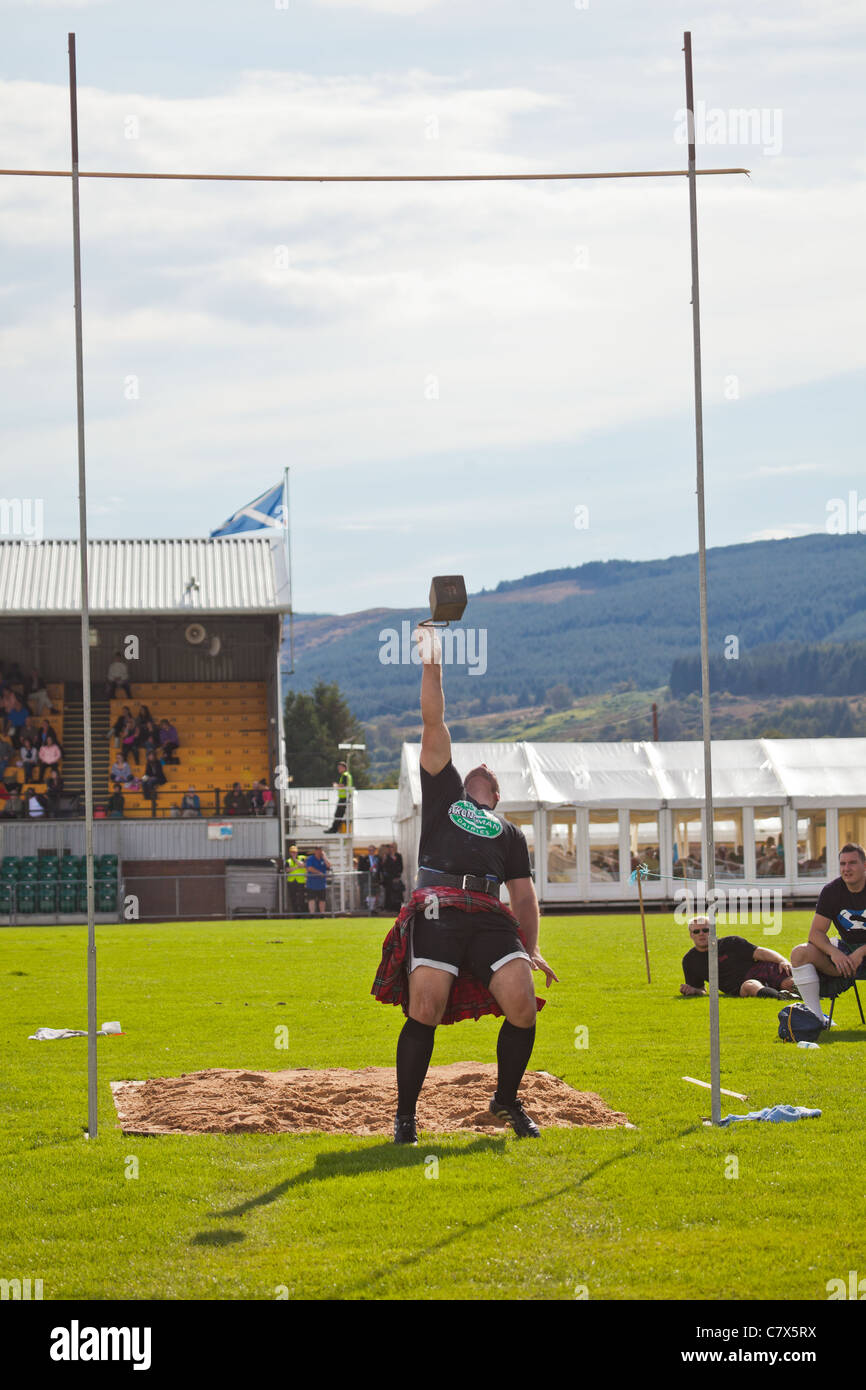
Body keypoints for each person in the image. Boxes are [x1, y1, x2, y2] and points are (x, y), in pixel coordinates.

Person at [372, 627, 558, 1146]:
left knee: (522, 1004)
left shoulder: (510, 833)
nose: (481, 767)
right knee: (424, 1008)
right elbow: (435, 720)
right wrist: (432, 660)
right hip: (437, 906)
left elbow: (522, 896)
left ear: (495, 795)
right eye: (476, 768)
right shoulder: (443, 793)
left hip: (491, 917)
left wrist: (533, 946)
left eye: (490, 775)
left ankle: (505, 1099)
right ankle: (406, 1116)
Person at [790, 843, 866, 1023]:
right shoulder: (832, 891)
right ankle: (816, 1020)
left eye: (852, 863)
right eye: (843, 864)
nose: (846, 869)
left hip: (861, 952)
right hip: (846, 954)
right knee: (799, 953)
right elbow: (816, 933)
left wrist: (862, 952)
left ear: (865, 865)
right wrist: (835, 953)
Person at [679, 917, 797, 1000]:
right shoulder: (690, 961)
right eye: (696, 931)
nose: (701, 934)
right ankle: (781, 997)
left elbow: (760, 952)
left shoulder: (732, 942)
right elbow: (701, 990)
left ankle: (808, 994)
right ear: (691, 935)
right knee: (751, 985)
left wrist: (782, 960)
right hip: (741, 986)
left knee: (790, 984)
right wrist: (693, 990)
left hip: (760, 970)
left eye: (705, 930)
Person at [327, 761, 353, 833]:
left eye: (340, 767)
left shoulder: (345, 775)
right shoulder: (347, 775)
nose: (338, 769)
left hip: (344, 798)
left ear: (344, 768)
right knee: (339, 814)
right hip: (345, 797)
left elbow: (343, 785)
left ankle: (334, 829)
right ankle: (334, 829)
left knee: (338, 814)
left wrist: (336, 785)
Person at [304, 846, 330, 913]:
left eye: (320, 850)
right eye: (317, 850)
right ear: (315, 851)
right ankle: (312, 914)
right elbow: (309, 868)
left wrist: (324, 857)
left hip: (321, 884)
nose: (319, 851)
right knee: (311, 899)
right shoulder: (310, 859)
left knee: (322, 900)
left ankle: (322, 914)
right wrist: (319, 873)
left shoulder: (323, 859)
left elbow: (328, 866)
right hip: (312, 883)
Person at [286, 845, 307, 913]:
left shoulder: (302, 857)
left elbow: (303, 865)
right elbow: (287, 870)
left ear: (297, 852)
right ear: (290, 853)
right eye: (292, 852)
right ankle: (295, 913)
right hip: (291, 881)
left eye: (294, 852)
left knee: (301, 898)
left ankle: (302, 912)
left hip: (300, 881)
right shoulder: (288, 861)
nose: (293, 853)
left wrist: (295, 860)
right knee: (293, 898)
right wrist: (297, 867)